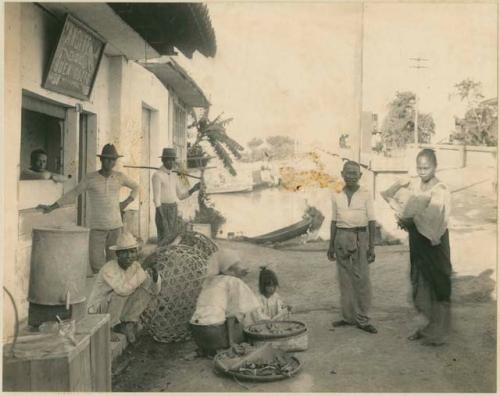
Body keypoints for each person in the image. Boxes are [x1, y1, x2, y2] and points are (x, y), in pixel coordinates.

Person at [384, 149, 452, 346]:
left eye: (426, 167)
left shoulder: (441, 190)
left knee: (437, 282)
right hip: (417, 241)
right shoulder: (415, 186)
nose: (422, 171)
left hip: (434, 242)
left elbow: (435, 220)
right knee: (419, 281)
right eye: (419, 168)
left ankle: (438, 333)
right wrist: (404, 216)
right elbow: (395, 199)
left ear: (435, 166)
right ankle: (428, 326)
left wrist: (410, 220)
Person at [38, 144, 140, 273]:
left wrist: (125, 203)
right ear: (101, 160)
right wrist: (52, 207)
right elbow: (73, 193)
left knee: (115, 264)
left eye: (113, 159)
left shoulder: (120, 177)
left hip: (115, 227)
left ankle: (112, 291)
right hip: (97, 227)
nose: (110, 162)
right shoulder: (90, 178)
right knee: (97, 265)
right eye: (107, 159)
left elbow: (136, 187)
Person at [327, 160, 378, 334]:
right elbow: (333, 221)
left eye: (354, 173)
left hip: (360, 236)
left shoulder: (365, 194)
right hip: (341, 236)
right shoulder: (336, 194)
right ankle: (348, 317)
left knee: (362, 280)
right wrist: (330, 245)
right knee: (344, 280)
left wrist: (372, 247)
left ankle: (363, 319)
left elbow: (371, 221)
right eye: (348, 172)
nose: (351, 176)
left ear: (360, 176)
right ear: (342, 174)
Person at [87, 231, 161, 343]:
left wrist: (155, 276)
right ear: (117, 254)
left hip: (115, 307)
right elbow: (122, 290)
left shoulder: (135, 266)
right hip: (98, 310)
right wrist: (144, 266)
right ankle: (108, 328)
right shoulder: (109, 268)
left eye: (132, 252)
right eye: (124, 252)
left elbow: (154, 291)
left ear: (136, 253)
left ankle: (128, 323)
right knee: (119, 293)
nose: (129, 256)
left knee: (144, 289)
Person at [189, 249, 264, 357]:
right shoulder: (233, 281)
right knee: (244, 326)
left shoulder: (210, 281)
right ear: (230, 269)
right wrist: (231, 343)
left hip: (197, 334)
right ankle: (223, 347)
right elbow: (231, 316)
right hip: (214, 333)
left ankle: (207, 350)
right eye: (236, 267)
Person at [152, 148, 200, 245]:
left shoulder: (174, 175)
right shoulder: (157, 175)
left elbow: (180, 196)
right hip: (162, 210)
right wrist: (163, 218)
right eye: (169, 159)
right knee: (164, 238)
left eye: (173, 159)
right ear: (163, 160)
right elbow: (156, 200)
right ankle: (162, 258)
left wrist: (193, 189)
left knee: (173, 239)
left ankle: (170, 258)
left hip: (173, 209)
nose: (172, 162)